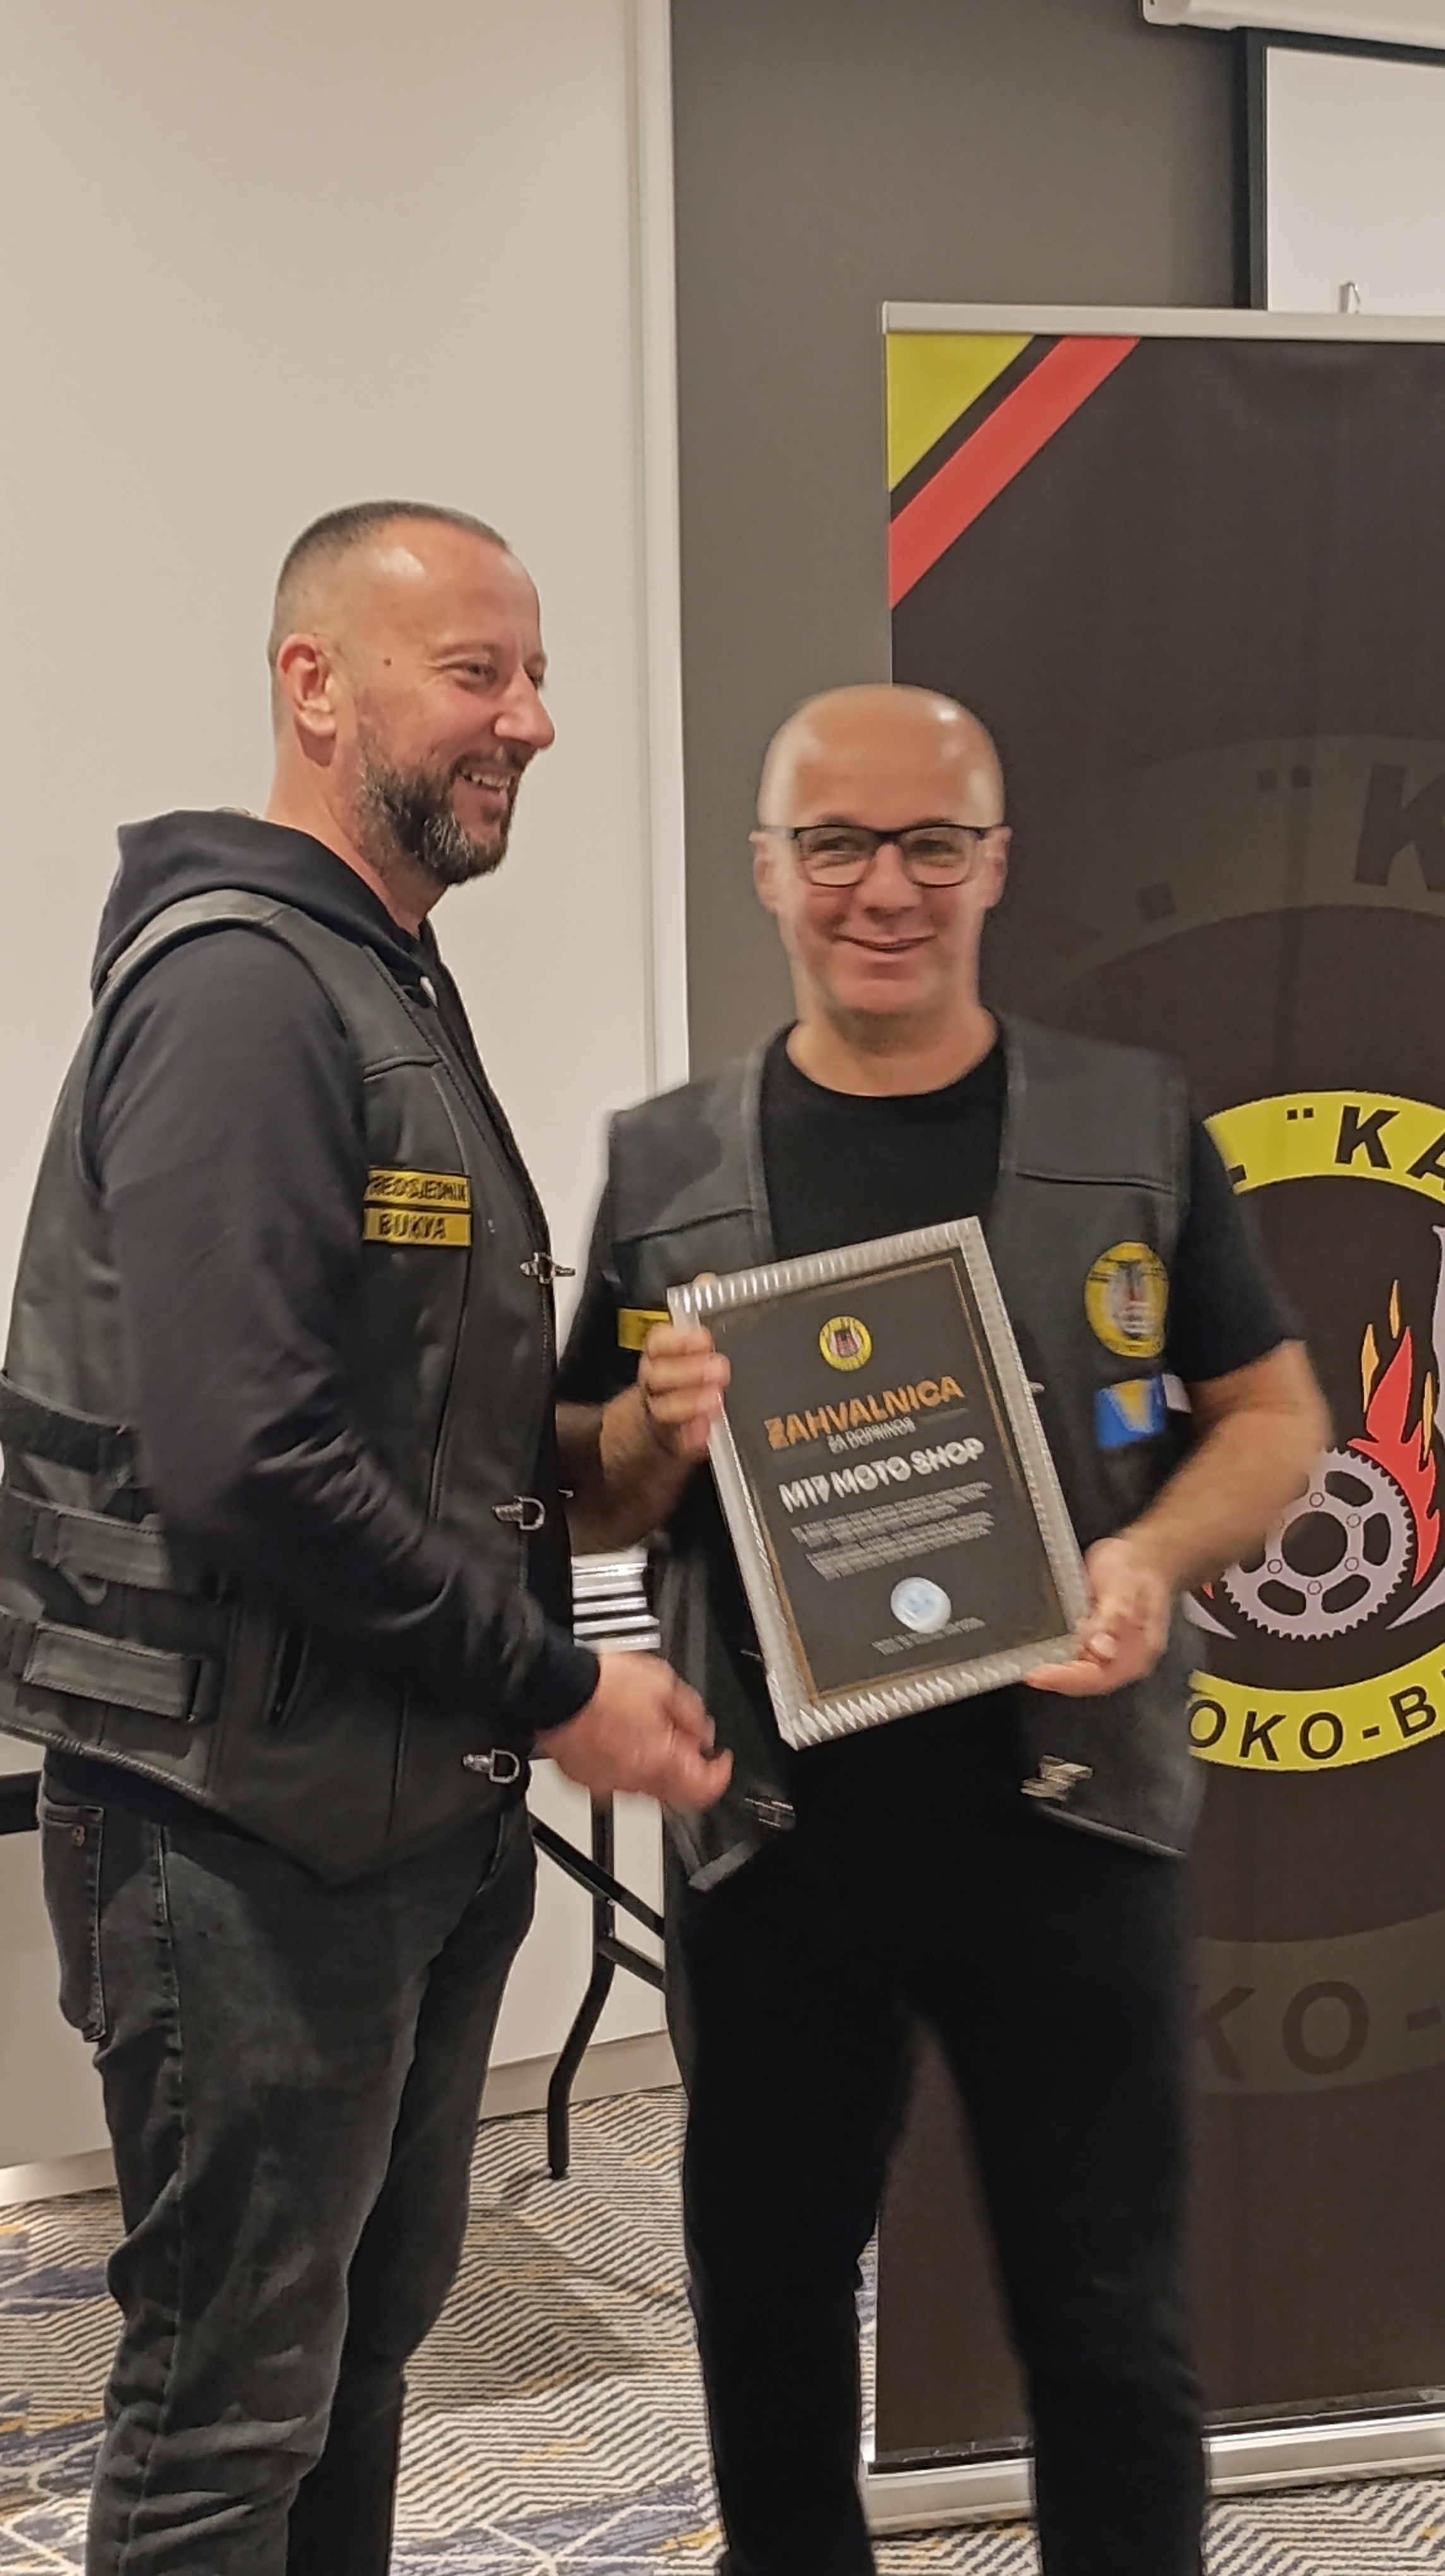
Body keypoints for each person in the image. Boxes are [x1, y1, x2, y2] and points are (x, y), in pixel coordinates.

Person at [0, 500, 728, 2576]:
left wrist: (631, 1445)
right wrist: (560, 1689)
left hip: (402, 1828)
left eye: (536, 674)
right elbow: (244, 1456)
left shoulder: (378, 977)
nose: (534, 721)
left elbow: (420, 1434)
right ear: (315, 686)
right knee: (227, 2422)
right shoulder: (244, 992)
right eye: (476, 672)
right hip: (240, 1848)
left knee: (352, 2372)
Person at [555, 683, 1328, 2576]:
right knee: (768, 2322)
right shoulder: (666, 1165)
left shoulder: (1131, 1125)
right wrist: (648, 1428)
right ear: (769, 870)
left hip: (1070, 1828)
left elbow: (1274, 1416)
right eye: (837, 844)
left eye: (929, 845)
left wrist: (1146, 1559)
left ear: (996, 866)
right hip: (774, 1844)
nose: (883, 889)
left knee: (1109, 2327)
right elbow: (578, 1489)